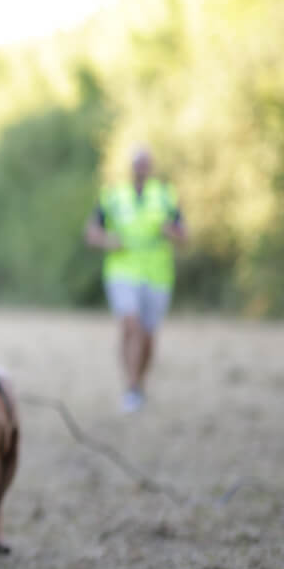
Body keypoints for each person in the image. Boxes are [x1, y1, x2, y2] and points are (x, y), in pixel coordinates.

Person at [83, 144, 188, 413]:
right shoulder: (113, 196)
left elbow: (184, 235)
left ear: (151, 167)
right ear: (130, 167)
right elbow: (91, 233)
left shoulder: (165, 195)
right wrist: (108, 240)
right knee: (131, 326)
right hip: (122, 271)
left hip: (158, 274)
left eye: (145, 163)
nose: (141, 168)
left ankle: (139, 385)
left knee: (148, 336)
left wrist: (172, 232)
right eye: (137, 163)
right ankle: (130, 387)